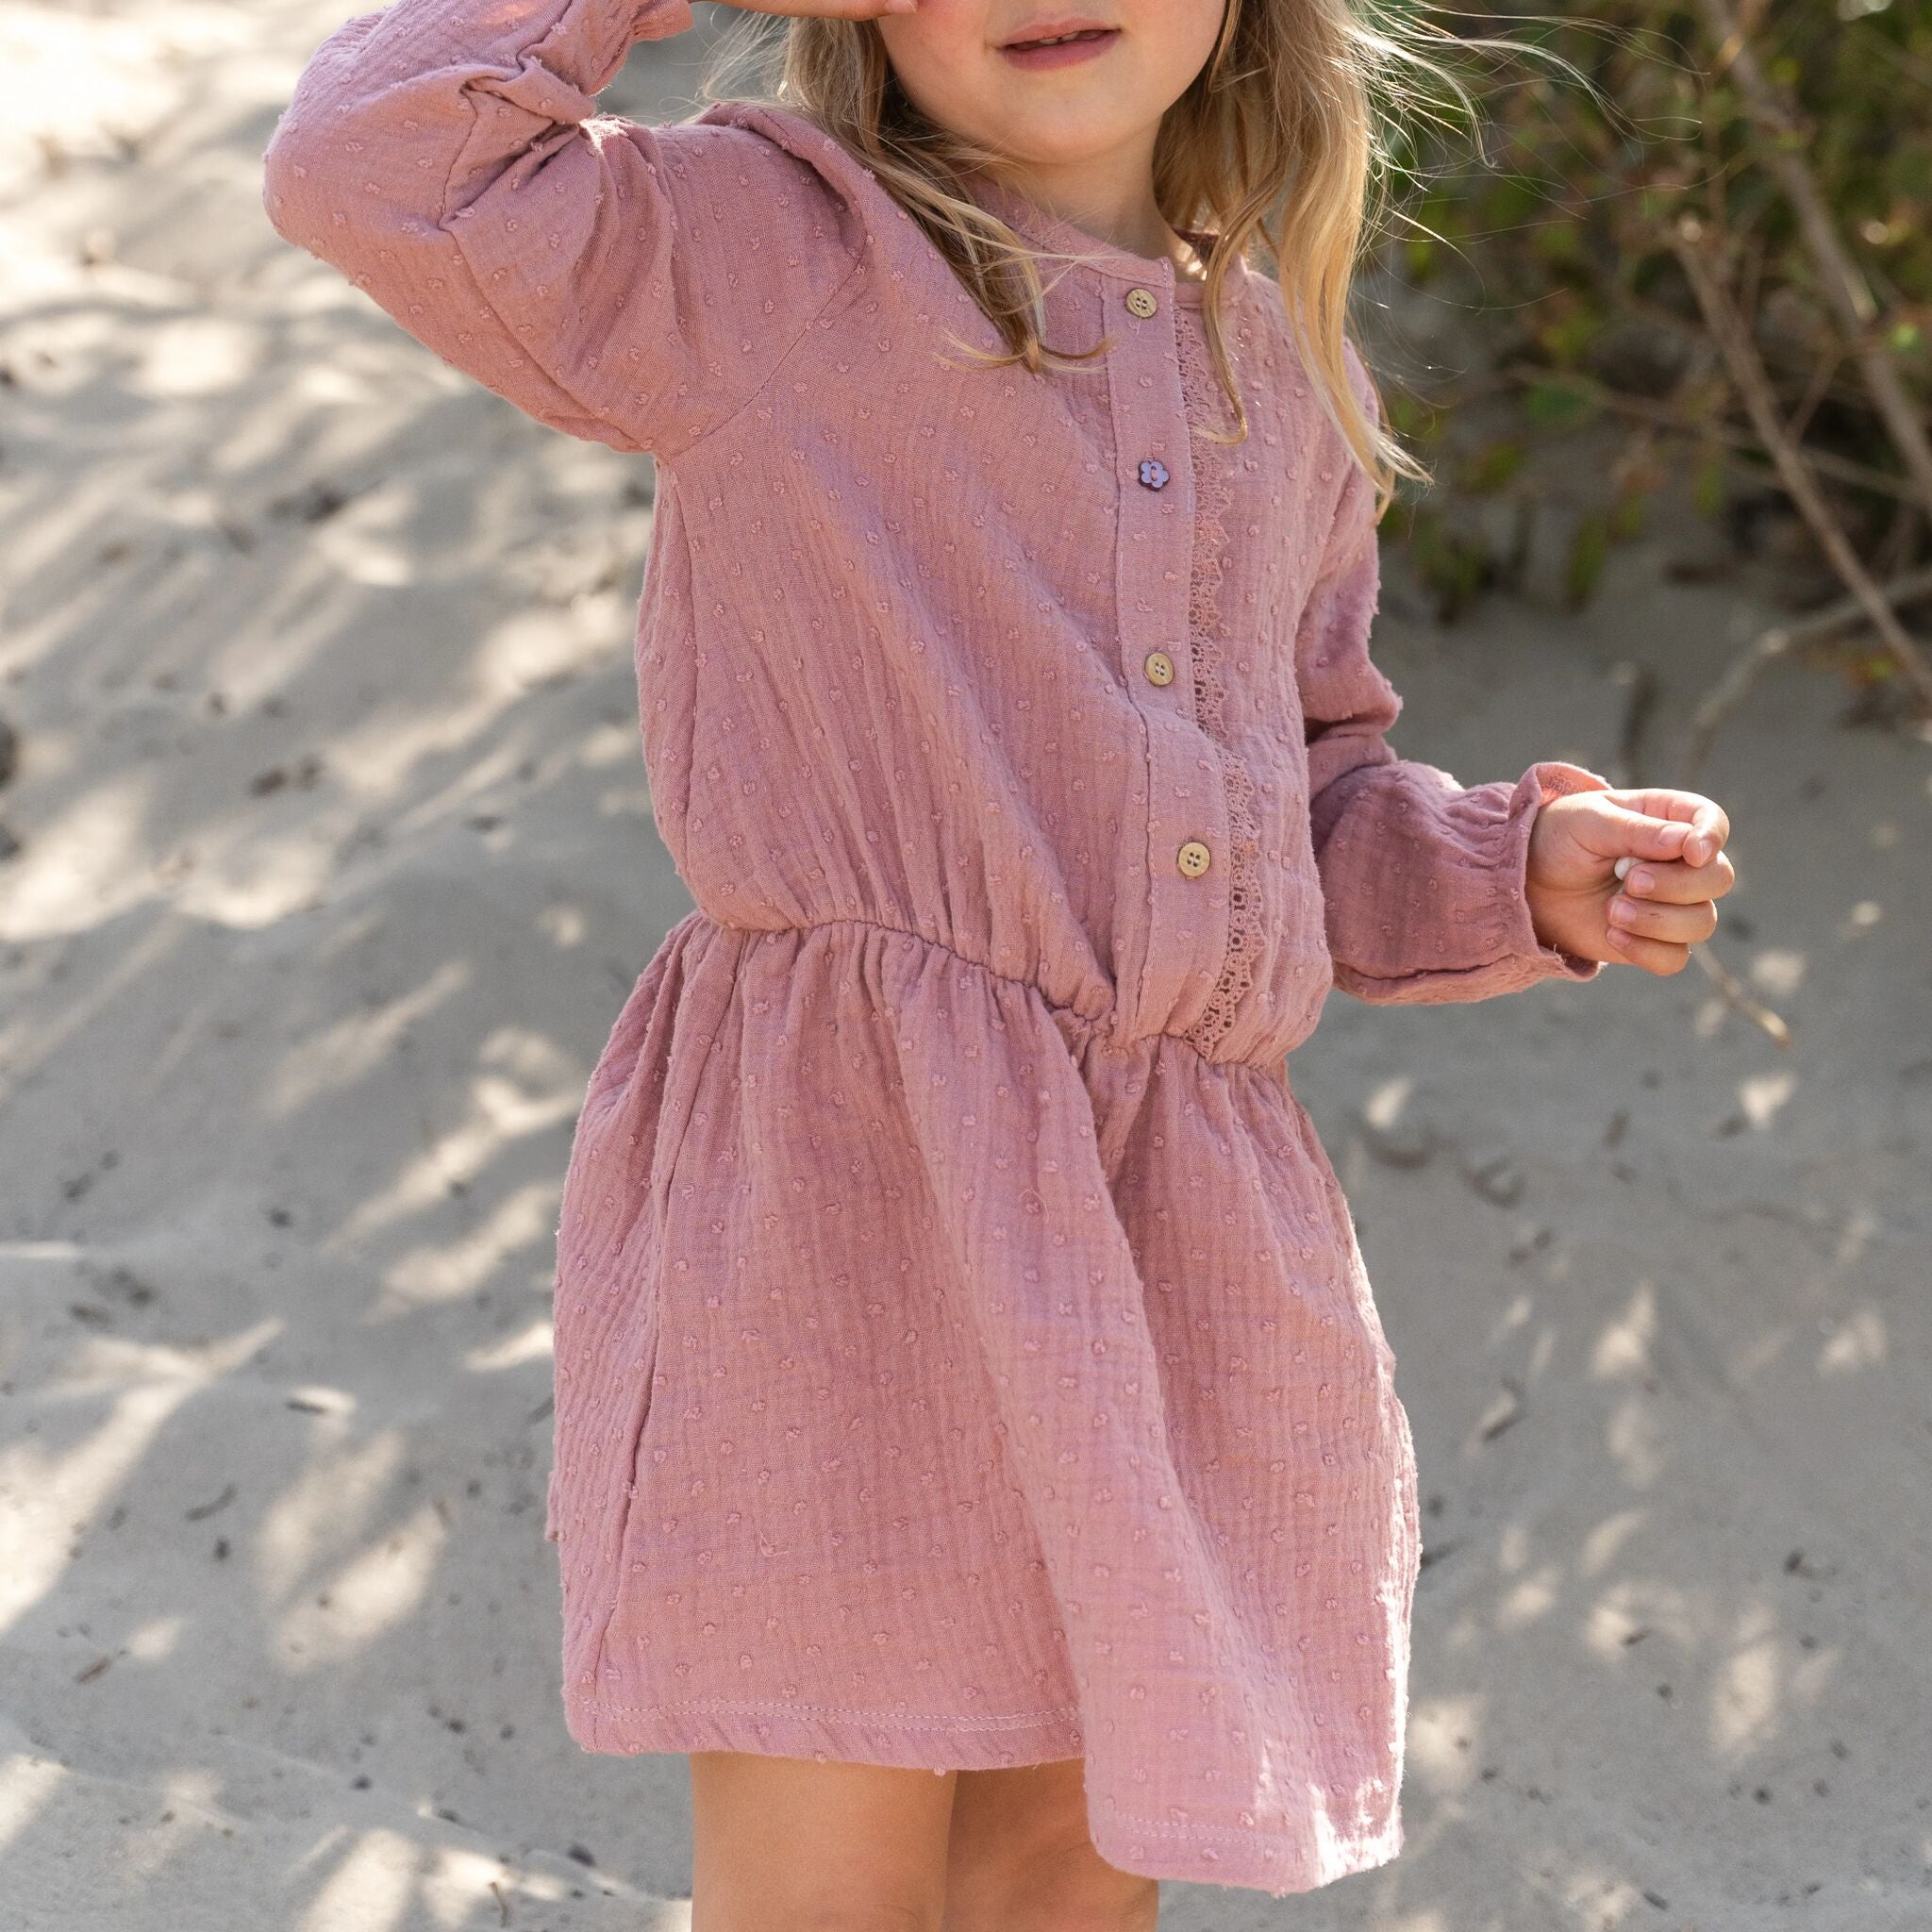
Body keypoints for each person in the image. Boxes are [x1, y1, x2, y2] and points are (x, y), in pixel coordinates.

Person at [259, 0, 1736, 1921]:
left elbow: (1289, 807)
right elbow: (368, 158)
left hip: (1171, 1229)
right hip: (845, 1187)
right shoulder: (766, 256)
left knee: (1077, 1857)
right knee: (832, 1853)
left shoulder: (1280, 368)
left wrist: (1505, 871)